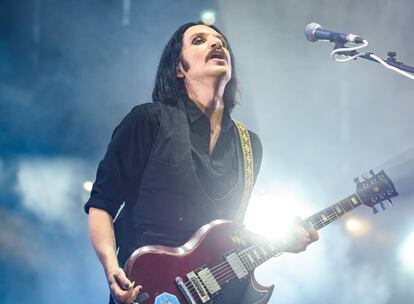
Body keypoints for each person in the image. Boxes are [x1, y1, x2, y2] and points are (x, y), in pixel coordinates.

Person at [85, 21, 319, 304]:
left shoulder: (249, 145)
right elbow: (102, 204)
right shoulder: (149, 120)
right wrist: (112, 269)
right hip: (145, 289)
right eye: (199, 40)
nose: (216, 44)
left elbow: (230, 236)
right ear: (179, 69)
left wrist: (284, 241)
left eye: (221, 41)